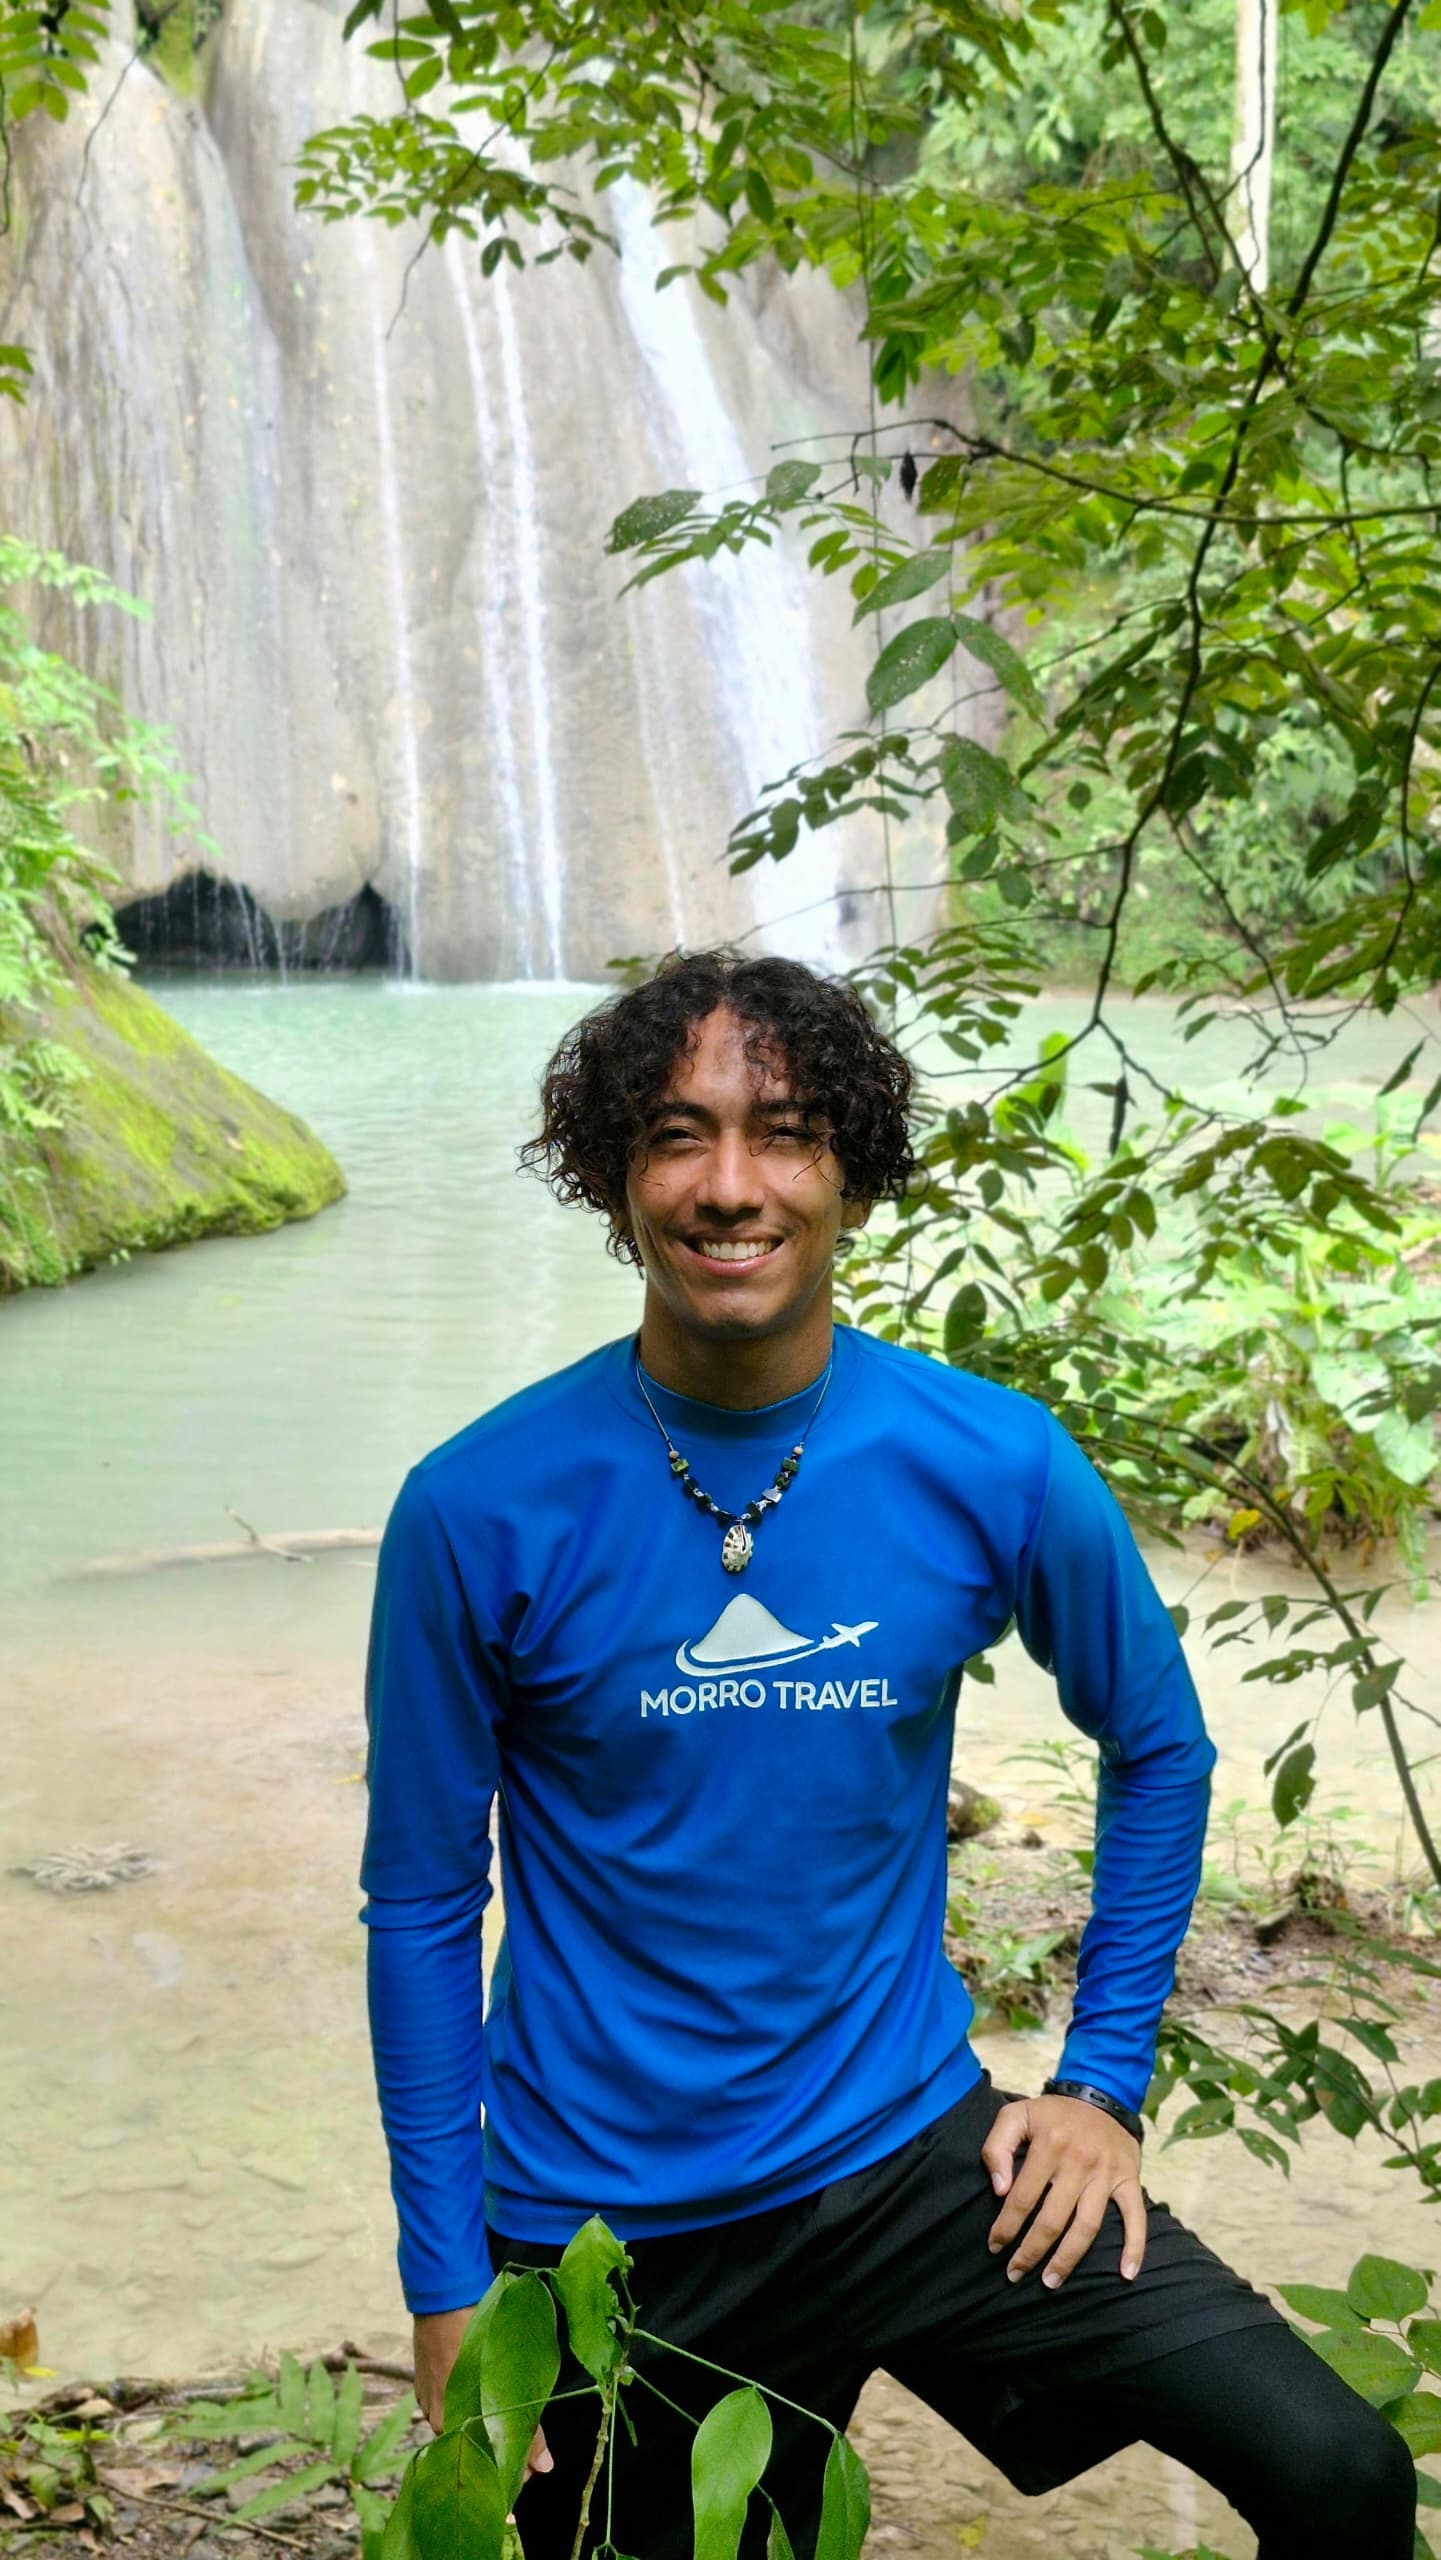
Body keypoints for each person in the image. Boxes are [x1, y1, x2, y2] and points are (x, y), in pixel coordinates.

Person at [361, 950, 1414, 2560]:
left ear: (848, 1172)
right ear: (613, 1178)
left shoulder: (988, 1461)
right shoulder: (478, 1505)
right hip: (606, 2233)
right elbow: (424, 1907)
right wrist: (445, 2282)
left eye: (783, 1133)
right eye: (676, 1136)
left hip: (910, 2156)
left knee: (1338, 2476)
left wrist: (1098, 2083)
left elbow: (1158, 1744)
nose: (730, 1186)